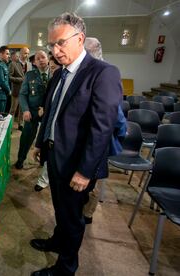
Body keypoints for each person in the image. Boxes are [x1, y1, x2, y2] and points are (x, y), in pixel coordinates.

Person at [31, 13, 121, 276]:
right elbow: (51, 112)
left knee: (72, 218)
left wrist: (85, 171)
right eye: (51, 45)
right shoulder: (60, 74)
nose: (55, 51)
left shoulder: (103, 73)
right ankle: (57, 242)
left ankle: (66, 267)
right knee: (60, 208)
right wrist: (40, 143)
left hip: (76, 163)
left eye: (60, 43)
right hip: (54, 153)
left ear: (80, 38)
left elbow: (102, 128)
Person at [82, 37, 127, 224]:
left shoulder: (104, 73)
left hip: (97, 143)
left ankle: (87, 214)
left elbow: (116, 119)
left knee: (91, 183)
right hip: (84, 142)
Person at [14, 50, 49, 170]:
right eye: (38, 58)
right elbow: (22, 94)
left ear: (48, 58)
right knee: (26, 138)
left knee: (46, 139)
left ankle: (43, 163)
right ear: (34, 62)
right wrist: (25, 110)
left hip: (47, 113)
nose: (41, 60)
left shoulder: (56, 74)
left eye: (43, 57)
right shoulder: (30, 75)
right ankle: (20, 160)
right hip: (32, 112)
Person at [34, 55, 61, 192]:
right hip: (49, 126)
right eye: (51, 68)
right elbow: (47, 97)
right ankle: (43, 180)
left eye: (54, 67)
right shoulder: (53, 80)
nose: (53, 70)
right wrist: (42, 107)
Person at [9, 50, 25, 130]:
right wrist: (20, 79)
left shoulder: (20, 64)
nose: (18, 57)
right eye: (16, 56)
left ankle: (20, 124)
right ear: (12, 57)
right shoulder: (12, 64)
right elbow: (10, 77)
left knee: (22, 110)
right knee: (13, 110)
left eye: (18, 56)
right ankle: (10, 126)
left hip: (23, 91)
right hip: (16, 90)